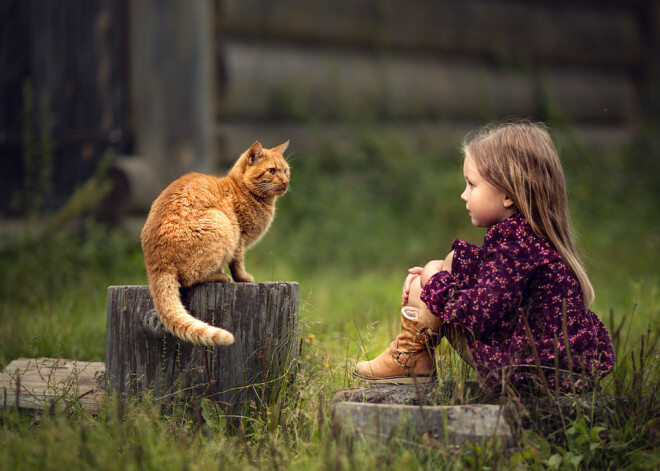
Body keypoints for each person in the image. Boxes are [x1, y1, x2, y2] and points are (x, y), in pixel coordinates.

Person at [353, 121, 615, 393]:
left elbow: (481, 314)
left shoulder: (515, 245)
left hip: (528, 374)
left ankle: (409, 359)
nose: (463, 195)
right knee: (449, 263)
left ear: (507, 195)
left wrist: (435, 284)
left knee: (435, 276)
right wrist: (435, 277)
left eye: (471, 185)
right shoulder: (530, 239)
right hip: (548, 368)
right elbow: (492, 291)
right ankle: (413, 358)